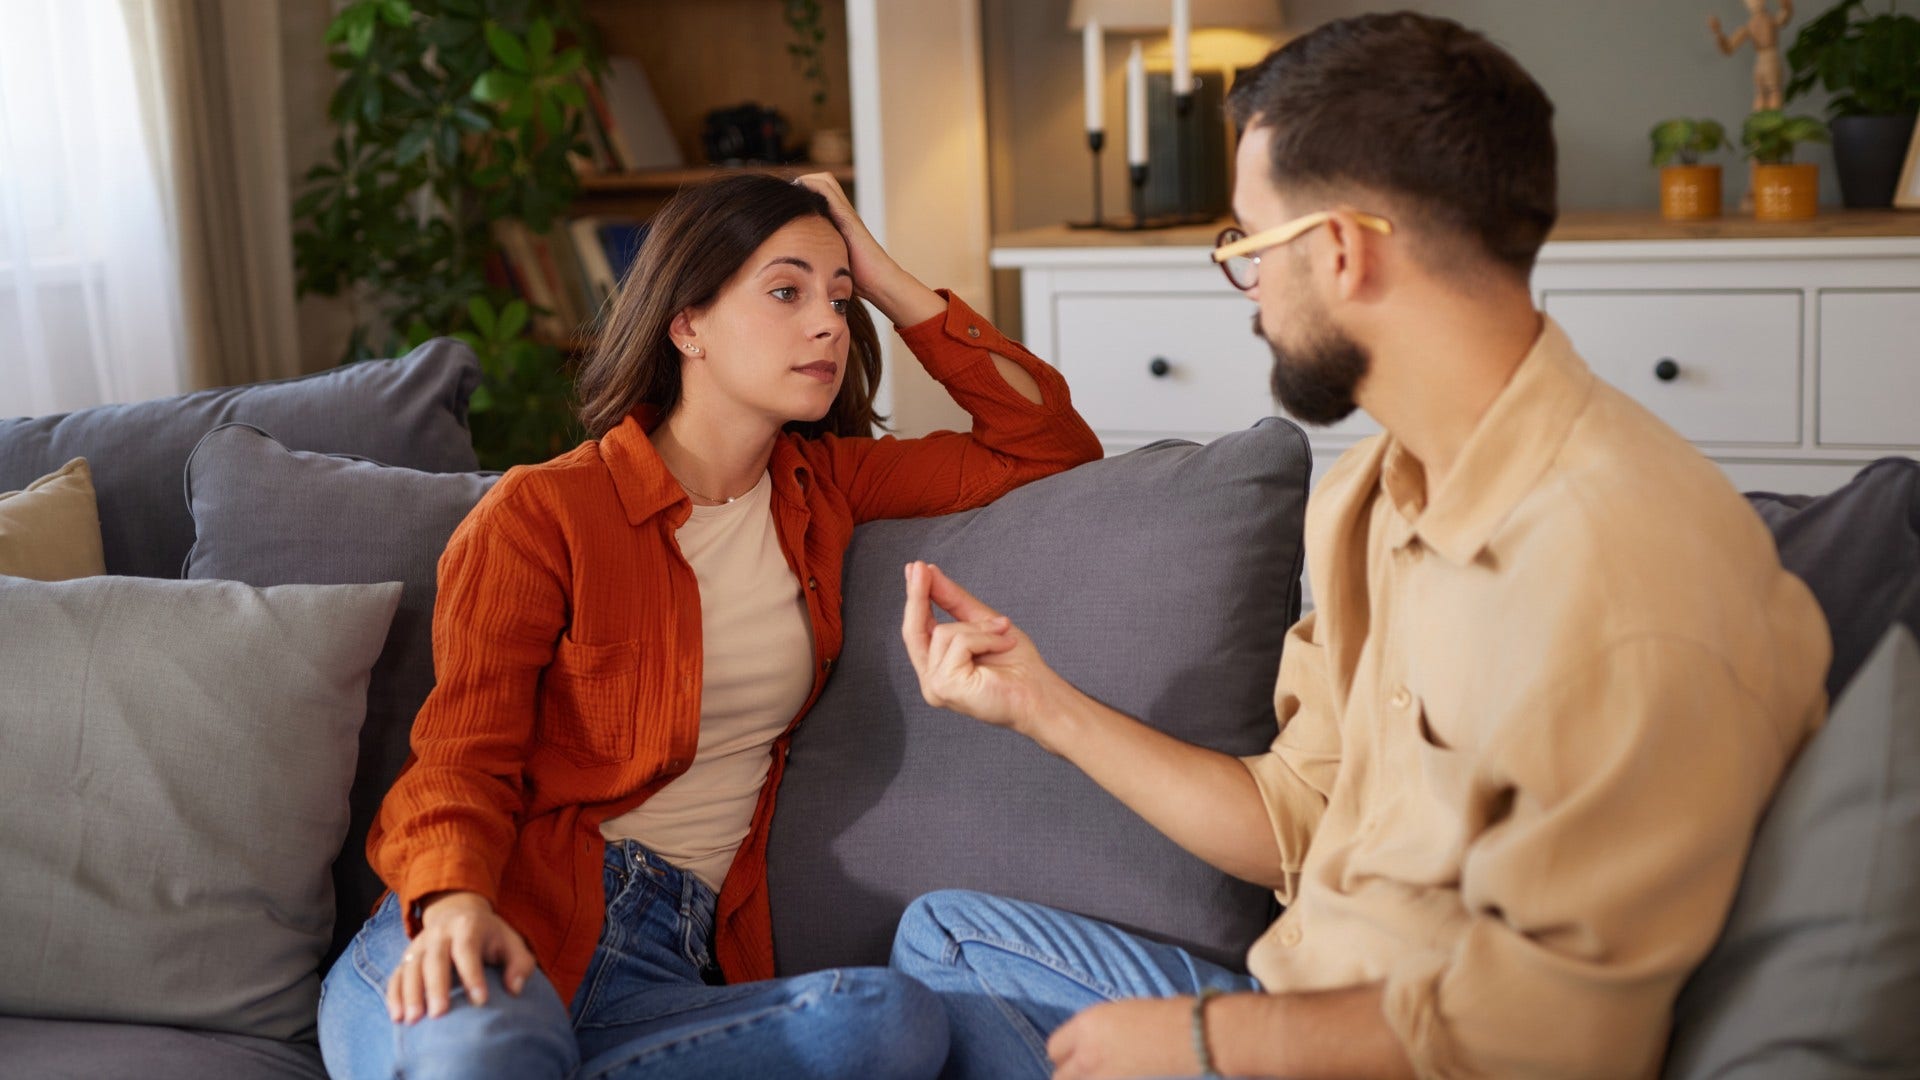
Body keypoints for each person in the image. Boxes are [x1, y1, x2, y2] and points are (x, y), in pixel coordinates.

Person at [888, 13, 1830, 1080]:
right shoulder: (1372, 495)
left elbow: (1563, 1038)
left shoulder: (1621, 570)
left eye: (1247, 246)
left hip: (1407, 1050)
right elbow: (1295, 818)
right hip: (1292, 1000)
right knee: (945, 941)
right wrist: (1039, 704)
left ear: (1337, 249)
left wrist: (1206, 1044)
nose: (1248, 294)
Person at [316, 171, 1102, 1080]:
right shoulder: (546, 512)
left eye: (838, 302)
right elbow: (460, 754)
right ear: (686, 325)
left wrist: (881, 275)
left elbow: (1047, 444)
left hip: (664, 962)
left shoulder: (828, 488)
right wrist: (454, 906)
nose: (826, 325)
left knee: (886, 1021)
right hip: (501, 918)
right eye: (785, 291)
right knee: (486, 1057)